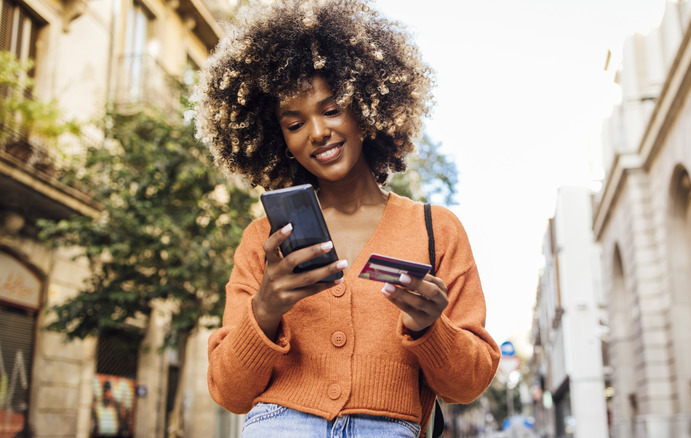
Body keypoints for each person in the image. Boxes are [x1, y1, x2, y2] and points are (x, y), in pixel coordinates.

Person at [193, 0, 500, 436]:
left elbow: (467, 385)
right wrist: (265, 308)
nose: (318, 132)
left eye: (332, 109)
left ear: (366, 109)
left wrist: (431, 328)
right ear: (279, 139)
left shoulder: (436, 230)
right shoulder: (265, 239)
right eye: (295, 124)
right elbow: (229, 392)